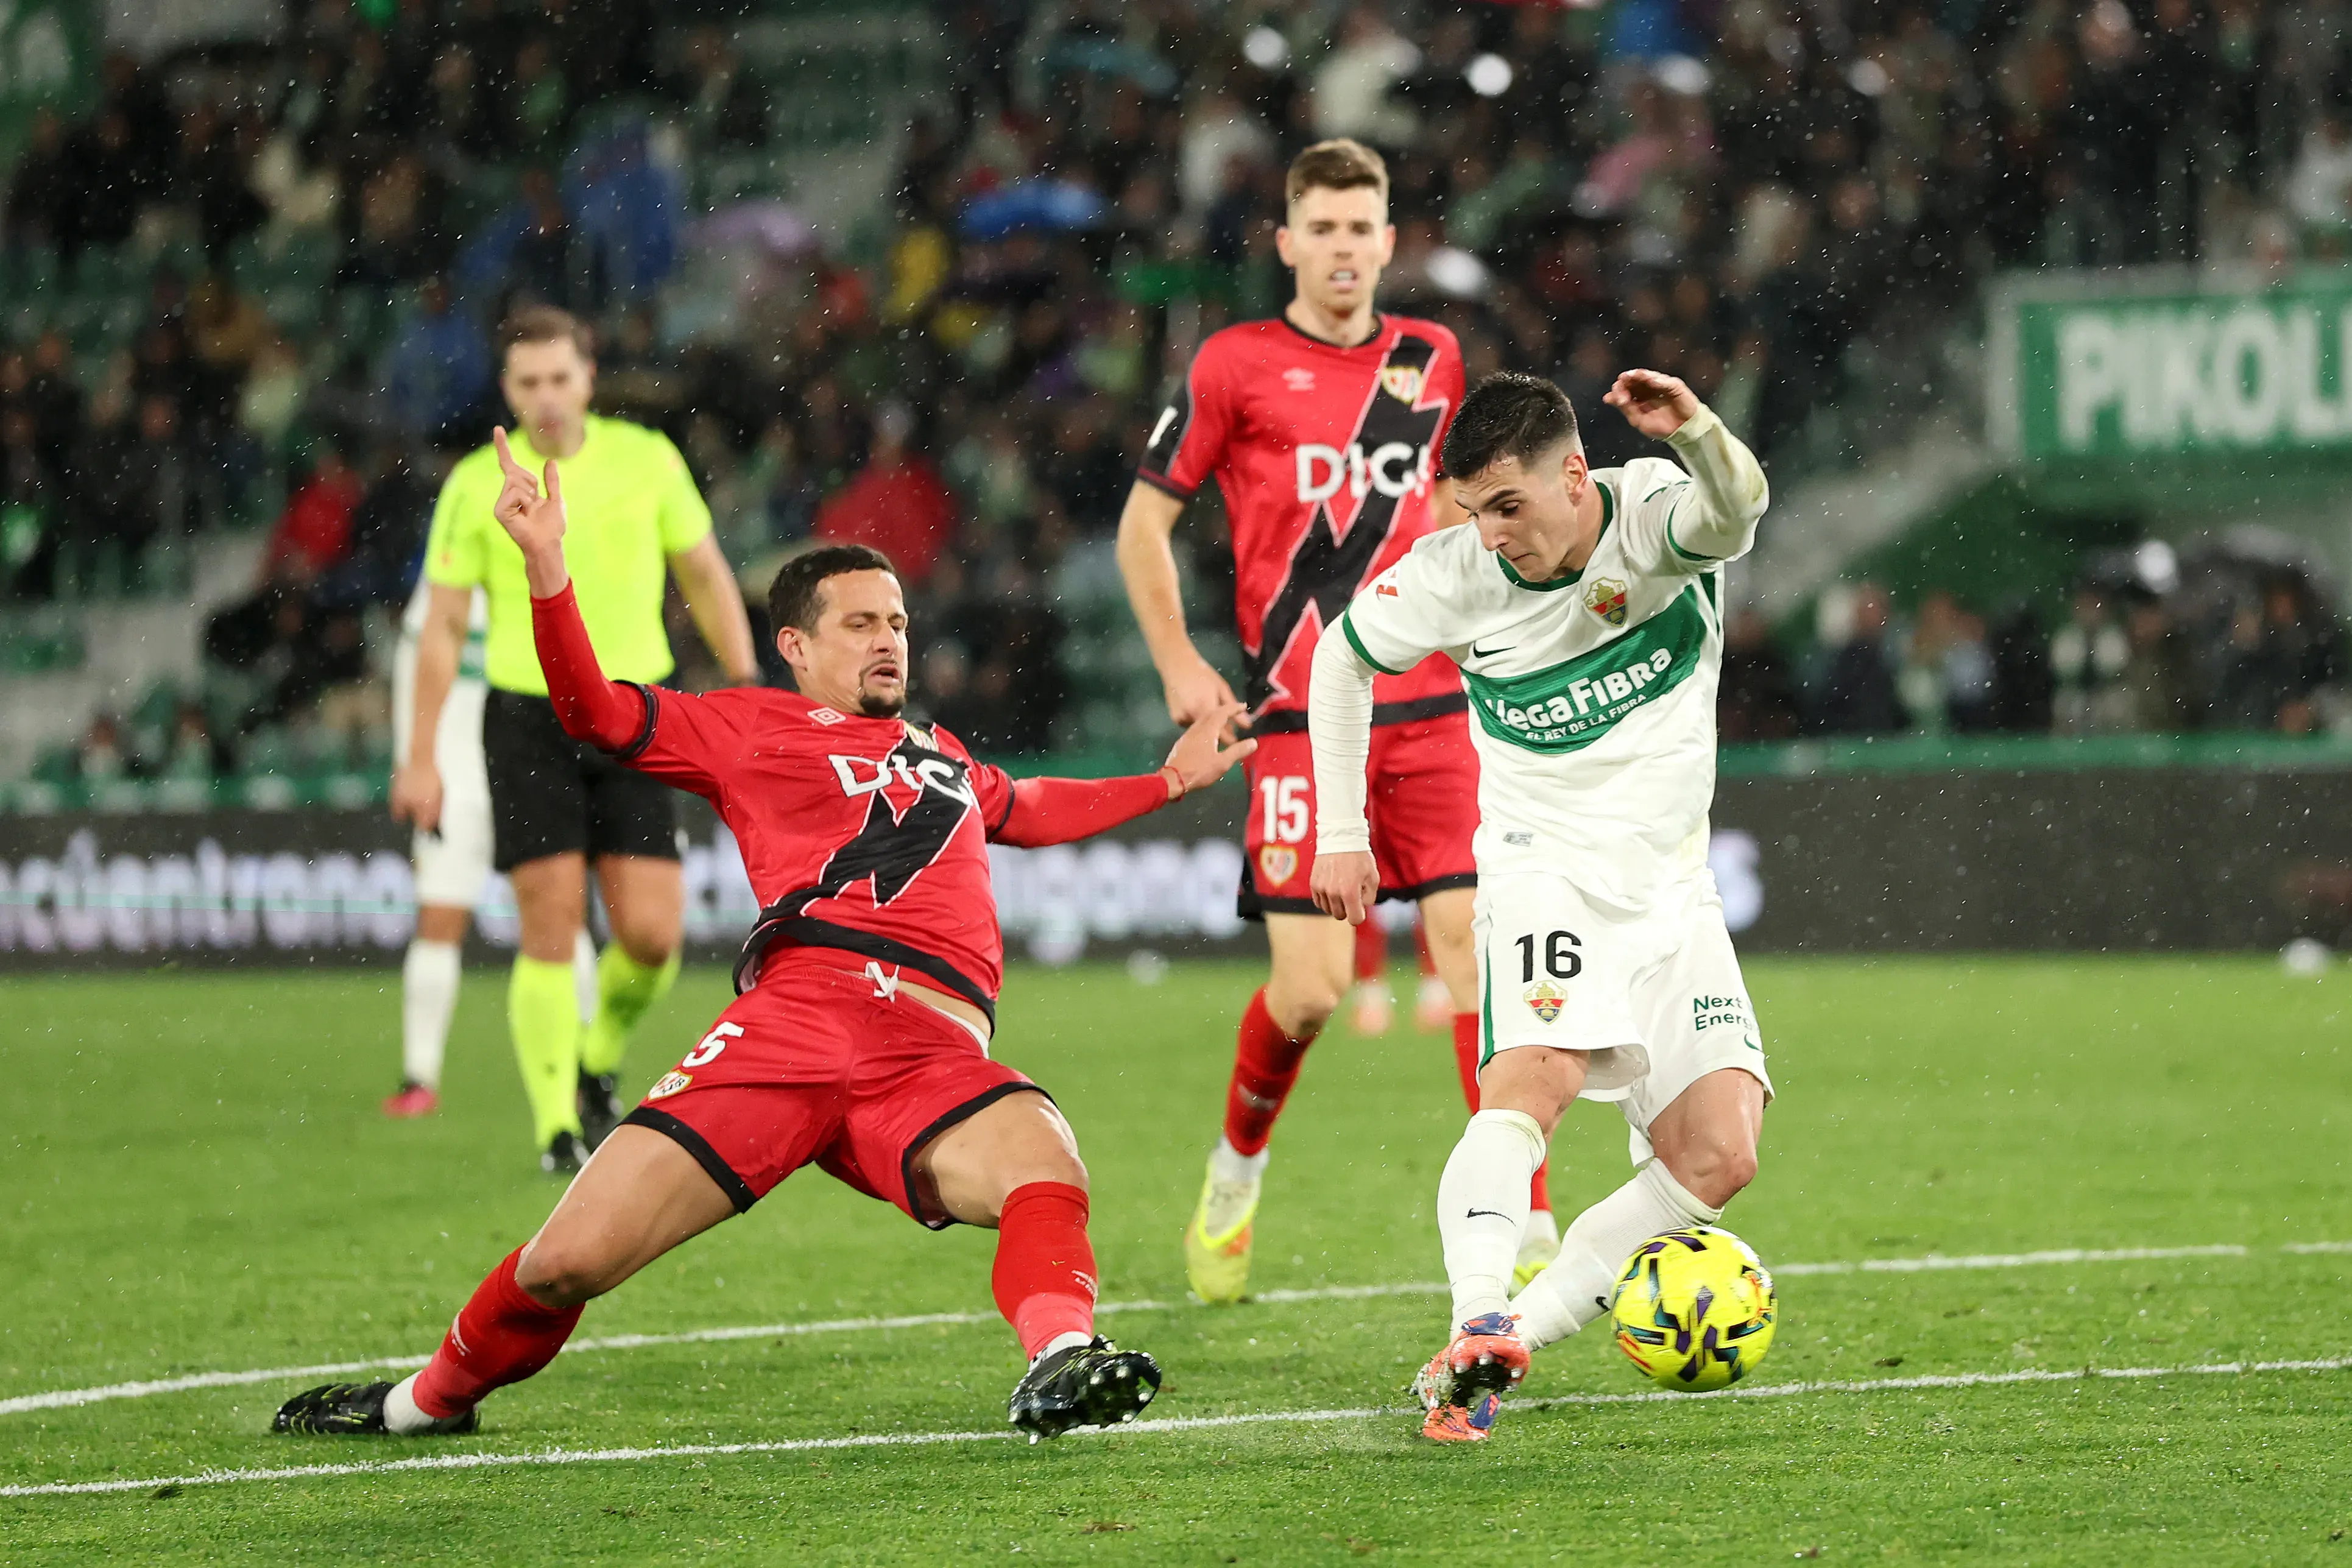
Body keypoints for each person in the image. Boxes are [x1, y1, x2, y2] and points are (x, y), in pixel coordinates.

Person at [274, 451, 1253, 1442]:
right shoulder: (747, 725)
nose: (890, 642)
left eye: (900, 622)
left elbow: (1030, 805)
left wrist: (1170, 781)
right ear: (793, 642)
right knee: (566, 1260)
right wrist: (545, 566)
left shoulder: (943, 753)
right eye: (861, 623)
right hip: (797, 1020)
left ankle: (1060, 1357)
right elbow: (595, 711)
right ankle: (422, 1401)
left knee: (1044, 1157)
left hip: (928, 1049)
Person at [1115, 137, 1553, 1304]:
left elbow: (1467, 509)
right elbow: (1140, 529)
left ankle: (1526, 1211)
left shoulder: (1434, 359)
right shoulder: (1234, 366)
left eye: (1365, 227)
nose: (1346, 247)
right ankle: (1234, 1169)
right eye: (1325, 227)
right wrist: (1177, 664)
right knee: (1309, 990)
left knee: (1471, 955)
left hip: (1436, 707)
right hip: (1306, 716)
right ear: (1288, 242)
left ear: (1389, 240)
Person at [1308, 369, 1774, 1443]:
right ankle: (1477, 1307)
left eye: (1508, 506)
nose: (1490, 533)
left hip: (1671, 884)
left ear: (1576, 474)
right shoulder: (1453, 574)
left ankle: (1498, 1343)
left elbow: (1738, 506)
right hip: (1541, 865)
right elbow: (1341, 662)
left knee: (1719, 1150)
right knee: (1536, 1077)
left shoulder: (1655, 515)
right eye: (1471, 510)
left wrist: (1699, 429)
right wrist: (1342, 829)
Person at [395, 306, 759, 1173]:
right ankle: (557, 1125)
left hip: (638, 713)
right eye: (529, 383)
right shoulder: (473, 485)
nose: (548, 398)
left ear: (590, 377)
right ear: (507, 391)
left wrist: (746, 689)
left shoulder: (649, 460)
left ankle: (597, 1058)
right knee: (549, 925)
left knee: (652, 937)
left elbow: (704, 573)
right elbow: (443, 627)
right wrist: (418, 753)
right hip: (527, 716)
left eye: (561, 378)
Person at [382, 575, 597, 1120]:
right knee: (440, 918)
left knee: (561, 919)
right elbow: (413, 674)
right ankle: (419, 1076)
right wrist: (414, 762)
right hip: (457, 777)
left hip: (529, 770)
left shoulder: (546, 579)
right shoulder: (443, 589)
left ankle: (584, 1072)